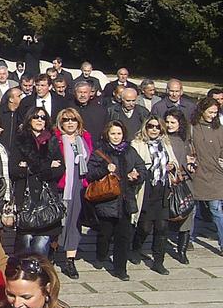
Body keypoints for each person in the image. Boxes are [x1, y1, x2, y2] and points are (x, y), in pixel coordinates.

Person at [87, 121, 147, 280]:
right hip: (107, 199)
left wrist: (136, 177)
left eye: (119, 133)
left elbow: (142, 169)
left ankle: (120, 269)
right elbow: (90, 174)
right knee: (105, 234)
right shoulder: (100, 152)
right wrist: (104, 170)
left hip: (125, 199)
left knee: (124, 236)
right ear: (107, 134)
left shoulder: (130, 151)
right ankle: (101, 254)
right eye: (113, 133)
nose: (116, 137)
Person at [9, 107, 64, 257]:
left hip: (46, 197)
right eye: (36, 117)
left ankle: (40, 275)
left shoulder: (52, 140)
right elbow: (14, 170)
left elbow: (60, 169)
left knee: (41, 245)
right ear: (29, 119)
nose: (40, 120)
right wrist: (47, 165)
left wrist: (29, 167)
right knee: (24, 243)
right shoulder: (19, 140)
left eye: (43, 117)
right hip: (26, 196)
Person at [131, 115, 180, 275]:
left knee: (162, 227)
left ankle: (159, 261)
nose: (154, 129)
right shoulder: (137, 143)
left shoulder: (165, 143)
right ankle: (136, 248)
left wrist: (172, 166)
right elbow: (133, 165)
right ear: (146, 127)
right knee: (145, 227)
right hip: (146, 189)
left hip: (163, 189)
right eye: (151, 126)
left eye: (157, 127)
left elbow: (174, 162)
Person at [51, 108, 92, 279]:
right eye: (66, 119)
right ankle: (51, 253)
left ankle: (70, 260)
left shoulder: (84, 139)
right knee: (57, 221)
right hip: (61, 185)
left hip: (78, 185)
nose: (69, 123)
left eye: (73, 120)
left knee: (74, 222)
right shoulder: (56, 139)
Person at [190, 96, 223, 255]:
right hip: (197, 173)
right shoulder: (192, 127)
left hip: (215, 175)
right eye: (210, 112)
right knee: (192, 210)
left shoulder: (219, 129)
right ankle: (188, 239)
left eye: (216, 112)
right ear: (202, 111)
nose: (213, 115)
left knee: (216, 211)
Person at [163, 108, 197, 263]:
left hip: (185, 182)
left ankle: (182, 251)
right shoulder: (162, 139)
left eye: (173, 122)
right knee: (165, 214)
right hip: (168, 182)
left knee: (187, 215)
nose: (169, 125)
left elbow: (192, 157)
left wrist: (191, 165)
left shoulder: (186, 139)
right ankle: (160, 247)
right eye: (167, 122)